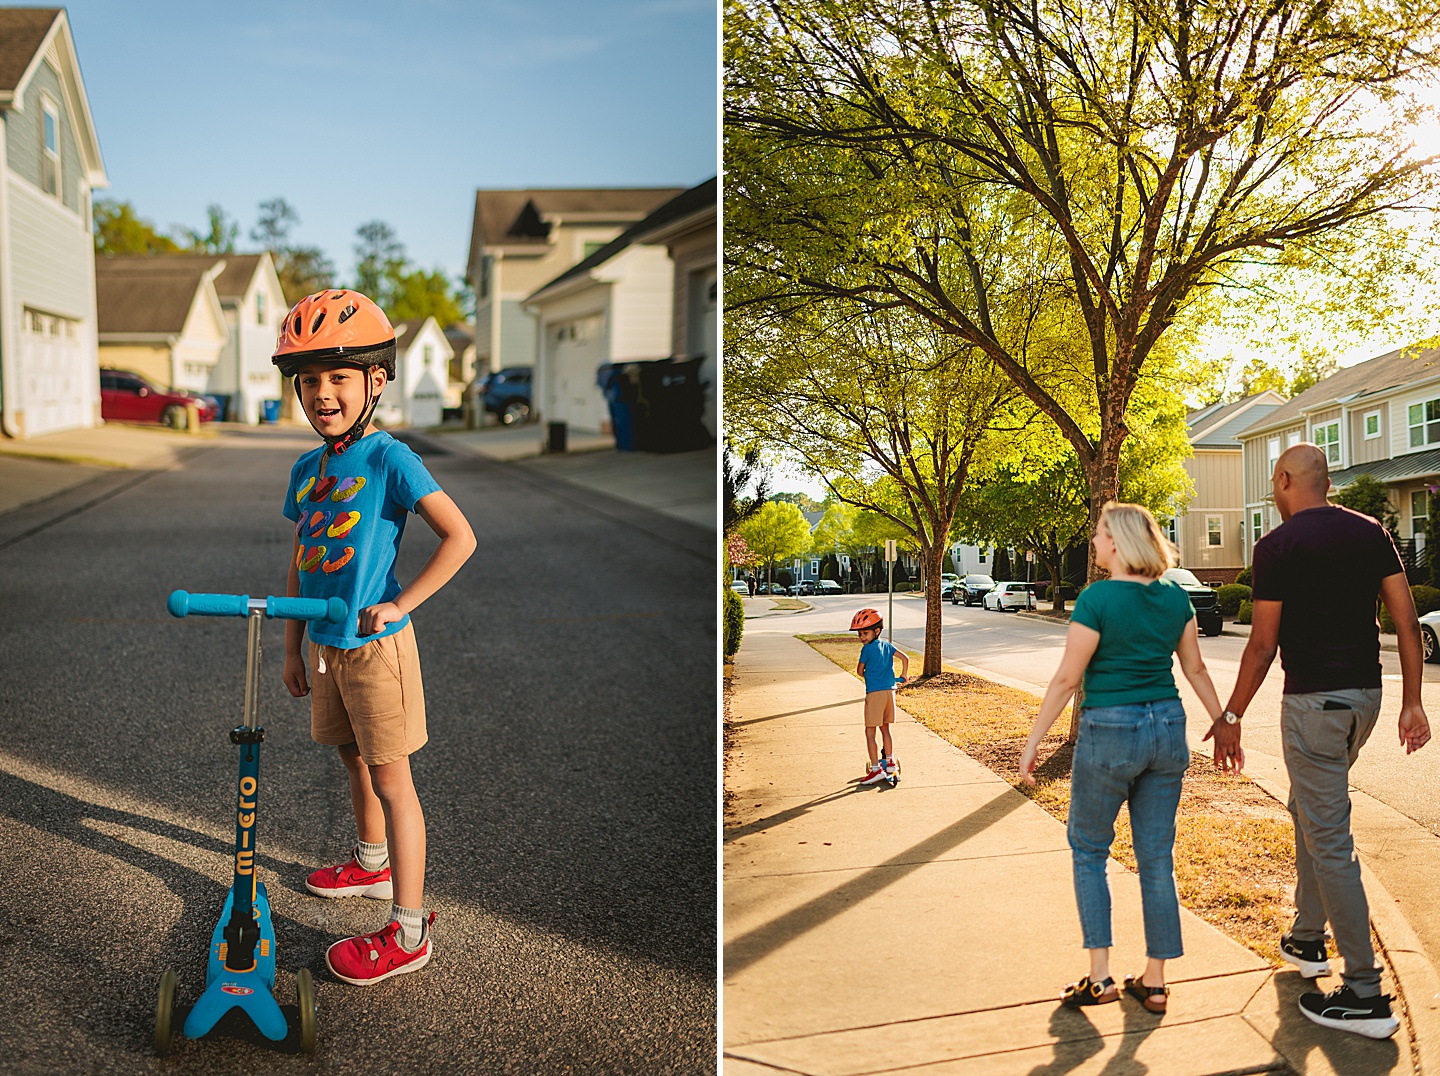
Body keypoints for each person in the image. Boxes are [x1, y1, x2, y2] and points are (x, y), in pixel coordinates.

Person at [275, 289, 476, 986]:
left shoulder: (390, 457)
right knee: (349, 758)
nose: (322, 394)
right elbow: (303, 558)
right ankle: (370, 863)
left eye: (338, 377)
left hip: (374, 649)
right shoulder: (308, 471)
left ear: (375, 382)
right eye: (309, 380)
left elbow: (460, 536)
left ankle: (409, 929)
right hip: (327, 647)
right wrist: (291, 643)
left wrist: (401, 604)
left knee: (394, 781)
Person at [1211, 443, 1430, 1039]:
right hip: (1365, 700)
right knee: (1307, 807)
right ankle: (1308, 936)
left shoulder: (1277, 546)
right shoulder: (1371, 531)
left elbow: (1261, 645)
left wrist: (1231, 714)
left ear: (1284, 480)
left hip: (1313, 707)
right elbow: (1405, 621)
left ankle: (1365, 993)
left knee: (1330, 836)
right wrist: (1413, 700)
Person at [1019, 502, 1225, 1014]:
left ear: (1117, 543)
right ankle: (1154, 982)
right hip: (1168, 728)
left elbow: (1069, 678)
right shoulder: (1176, 598)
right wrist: (1223, 722)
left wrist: (1034, 740)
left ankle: (1101, 977)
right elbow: (1195, 670)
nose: (1094, 541)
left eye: (1099, 533)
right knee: (1156, 858)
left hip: (1112, 729)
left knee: (1090, 849)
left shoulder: (1098, 599)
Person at [850, 608, 909, 786]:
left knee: (870, 731)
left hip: (875, 694)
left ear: (877, 631)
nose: (862, 637)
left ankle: (876, 770)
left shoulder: (867, 650)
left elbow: (859, 671)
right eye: (860, 634)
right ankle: (890, 762)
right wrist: (904, 675)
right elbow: (905, 658)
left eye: (865, 633)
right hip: (890, 692)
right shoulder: (888, 646)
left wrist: (867, 674)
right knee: (885, 728)